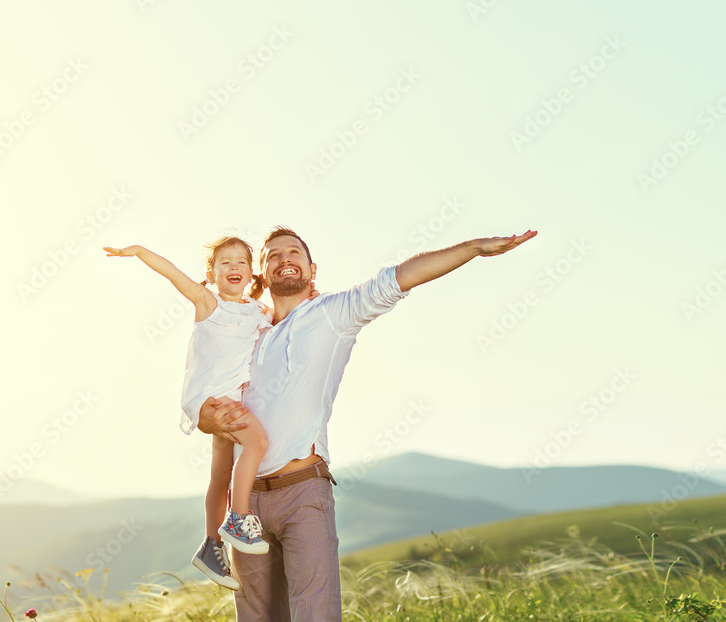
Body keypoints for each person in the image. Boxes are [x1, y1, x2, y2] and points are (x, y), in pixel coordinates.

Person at [198, 226, 537, 621]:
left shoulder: (333, 313)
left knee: (315, 614)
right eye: (273, 255)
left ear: (312, 268)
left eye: (294, 252)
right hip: (246, 504)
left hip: (302, 494)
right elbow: (208, 388)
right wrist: (206, 418)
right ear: (262, 273)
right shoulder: (246, 330)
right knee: (256, 617)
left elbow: (402, 275)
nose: (284, 259)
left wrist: (474, 248)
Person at [103, 237, 277, 590]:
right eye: (224, 262)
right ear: (211, 274)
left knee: (219, 473)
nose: (233, 267)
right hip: (212, 399)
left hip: (233, 398)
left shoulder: (258, 311)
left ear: (251, 273)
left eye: (240, 262)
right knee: (257, 442)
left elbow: (287, 319)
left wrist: (312, 298)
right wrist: (139, 252)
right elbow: (173, 274)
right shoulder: (208, 302)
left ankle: (211, 547)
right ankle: (238, 518)